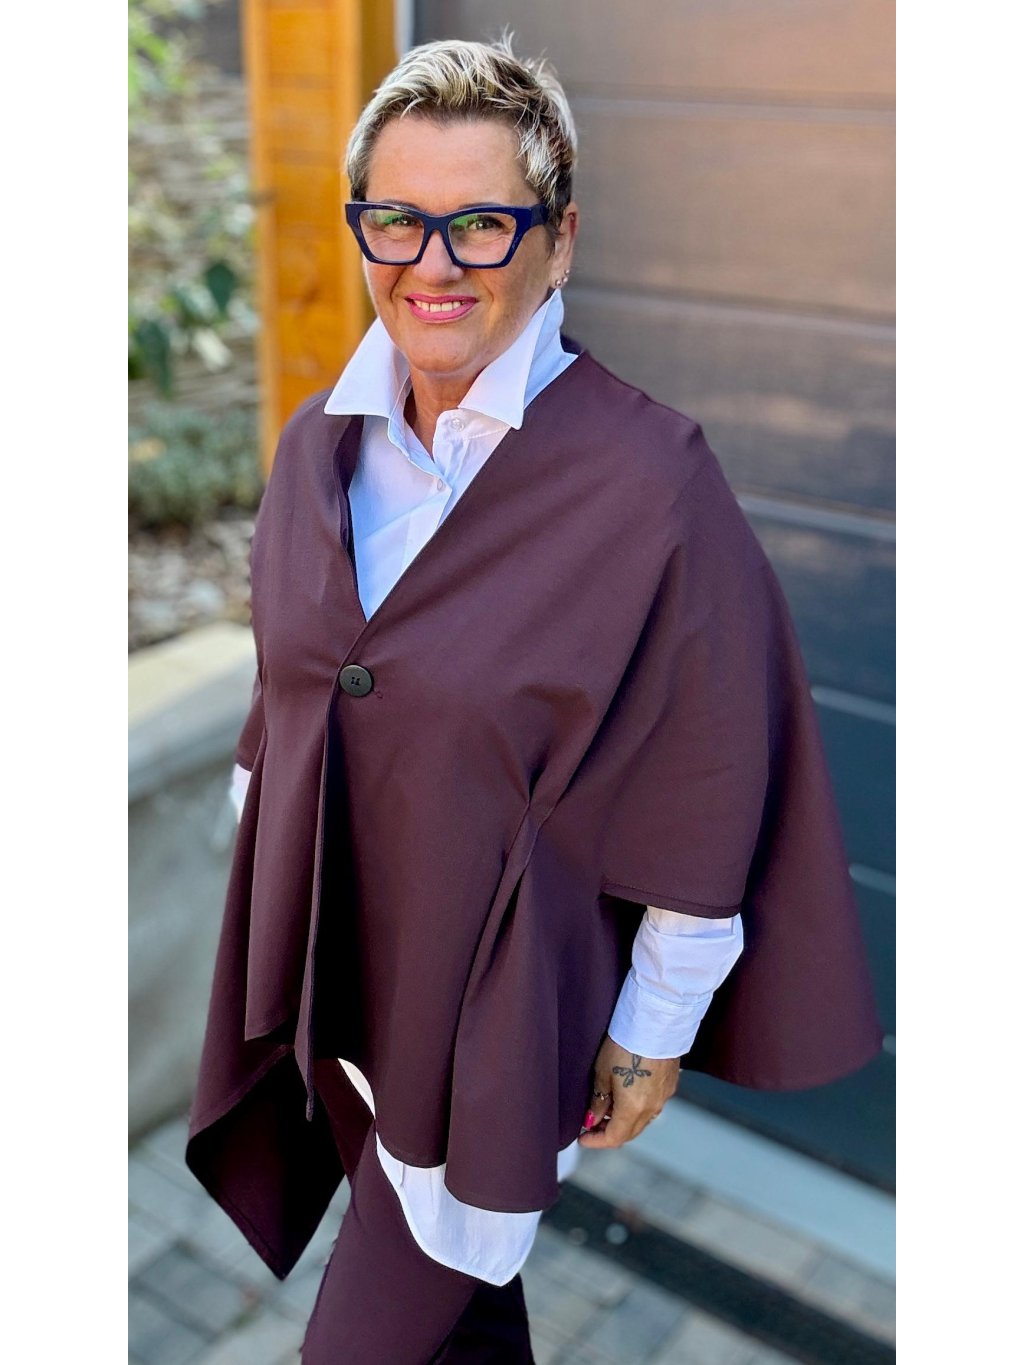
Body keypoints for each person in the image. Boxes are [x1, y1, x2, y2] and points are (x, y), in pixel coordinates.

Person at [186, 36, 882, 1364]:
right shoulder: (317, 444)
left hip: (492, 1024)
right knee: (464, 1329)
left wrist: (652, 1031)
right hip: (333, 983)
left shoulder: (652, 482)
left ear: (558, 242)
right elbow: (286, 698)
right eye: (398, 219)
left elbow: (710, 773)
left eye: (482, 223)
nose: (434, 263)